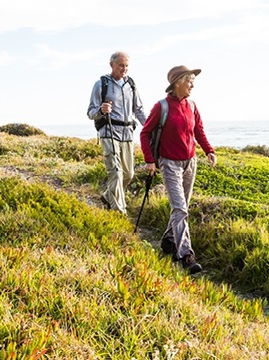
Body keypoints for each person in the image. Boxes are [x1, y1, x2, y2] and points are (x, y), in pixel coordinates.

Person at [139, 65, 217, 274]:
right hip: (169, 164)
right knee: (180, 208)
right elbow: (145, 133)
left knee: (181, 207)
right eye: (189, 81)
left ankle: (168, 240)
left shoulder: (192, 106)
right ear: (177, 83)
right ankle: (185, 255)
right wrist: (149, 160)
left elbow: (198, 130)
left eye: (193, 81)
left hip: (190, 162)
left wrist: (209, 150)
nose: (192, 85)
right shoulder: (161, 107)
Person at [87, 51, 146, 214]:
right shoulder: (101, 84)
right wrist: (101, 110)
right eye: (121, 65)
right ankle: (119, 211)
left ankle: (107, 196)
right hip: (109, 132)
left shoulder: (131, 84)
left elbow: (138, 109)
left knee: (128, 174)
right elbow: (91, 112)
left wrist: (148, 126)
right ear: (111, 64)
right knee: (116, 173)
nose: (124, 69)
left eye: (126, 65)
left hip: (127, 134)